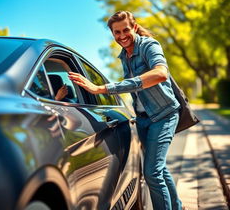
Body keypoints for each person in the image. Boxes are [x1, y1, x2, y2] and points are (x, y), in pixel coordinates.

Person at [68, 11, 185, 210]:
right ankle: (178, 206)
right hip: (142, 119)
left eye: (125, 30)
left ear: (135, 27)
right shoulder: (124, 56)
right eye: (117, 32)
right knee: (159, 169)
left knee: (152, 173)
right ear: (112, 34)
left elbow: (160, 73)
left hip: (163, 115)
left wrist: (103, 89)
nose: (122, 35)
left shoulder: (149, 46)